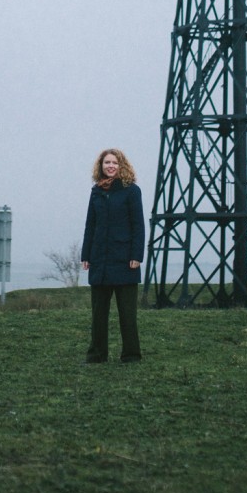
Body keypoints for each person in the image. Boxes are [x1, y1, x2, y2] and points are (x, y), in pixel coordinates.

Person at [80, 148, 145, 364]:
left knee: (127, 314)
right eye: (107, 163)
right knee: (99, 314)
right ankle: (97, 355)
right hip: (100, 261)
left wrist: (137, 255)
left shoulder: (132, 191)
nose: (110, 166)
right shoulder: (96, 191)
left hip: (125, 260)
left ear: (122, 166)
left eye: (115, 163)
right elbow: (91, 224)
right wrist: (86, 254)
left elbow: (138, 225)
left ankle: (131, 355)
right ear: (101, 166)